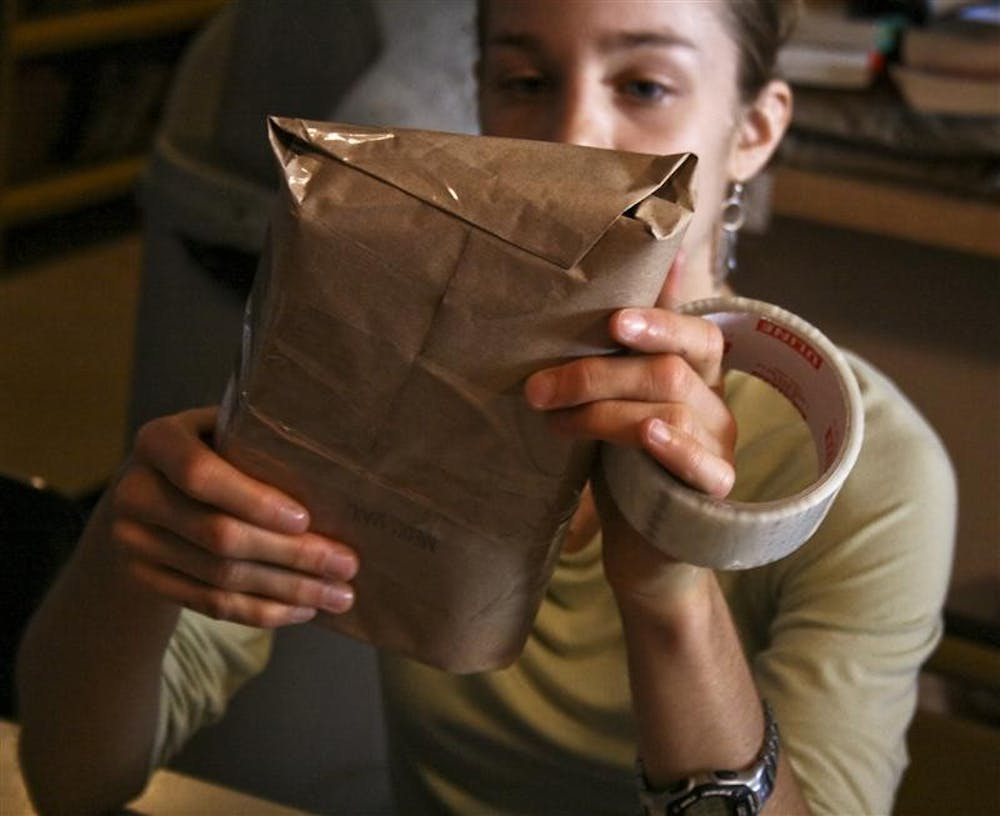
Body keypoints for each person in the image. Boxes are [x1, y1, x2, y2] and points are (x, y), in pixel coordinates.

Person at [16, 1, 956, 814]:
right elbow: (70, 783)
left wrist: (669, 589)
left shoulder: (870, 474)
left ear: (754, 127)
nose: (571, 134)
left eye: (644, 86)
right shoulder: (391, 370)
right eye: (523, 77)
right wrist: (128, 557)